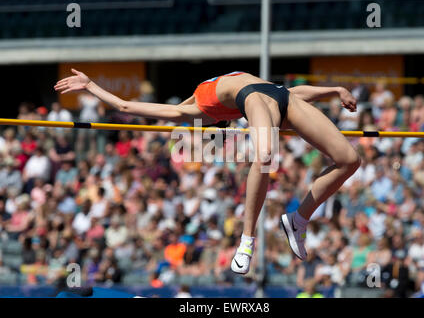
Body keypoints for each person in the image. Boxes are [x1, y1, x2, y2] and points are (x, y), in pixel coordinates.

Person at [55, 68, 360, 275]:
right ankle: (247, 240)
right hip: (267, 98)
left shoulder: (202, 102)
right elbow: (124, 107)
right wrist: (92, 87)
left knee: (349, 159)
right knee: (266, 155)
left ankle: (298, 219)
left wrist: (335, 90)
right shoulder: (200, 109)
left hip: (280, 96)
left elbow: (292, 91)